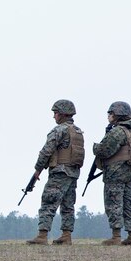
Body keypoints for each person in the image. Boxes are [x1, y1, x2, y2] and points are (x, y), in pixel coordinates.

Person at [26, 99, 83, 245]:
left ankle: (42, 235)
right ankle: (66, 235)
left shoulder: (59, 130)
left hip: (59, 172)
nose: (54, 116)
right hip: (73, 173)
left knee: (48, 200)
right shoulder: (77, 131)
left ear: (63, 114)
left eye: (56, 113)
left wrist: (38, 169)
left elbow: (47, 151)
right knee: (68, 204)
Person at [91, 101, 131, 246]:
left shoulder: (117, 131)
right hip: (129, 172)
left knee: (113, 203)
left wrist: (95, 147)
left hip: (115, 173)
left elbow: (104, 150)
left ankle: (116, 236)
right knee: (128, 204)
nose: (109, 116)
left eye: (110, 113)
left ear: (117, 114)